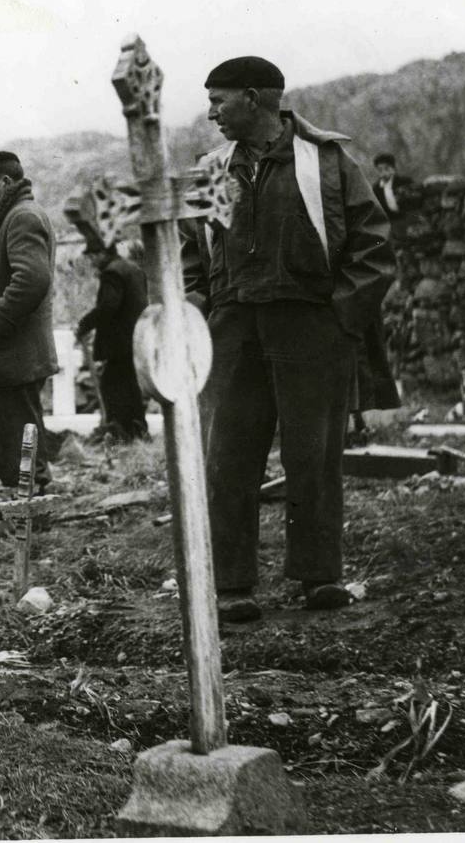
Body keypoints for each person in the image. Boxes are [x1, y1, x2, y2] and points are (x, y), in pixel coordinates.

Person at [182, 56, 394, 621]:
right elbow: (192, 259)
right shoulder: (211, 169)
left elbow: (373, 248)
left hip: (310, 329)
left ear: (253, 98)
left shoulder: (325, 161)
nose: (211, 114)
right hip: (233, 331)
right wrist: (194, 309)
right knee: (227, 455)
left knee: (313, 455)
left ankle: (319, 577)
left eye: (219, 100)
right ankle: (231, 585)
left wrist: (339, 319)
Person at [0, 151, 59, 491]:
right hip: (10, 353)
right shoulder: (13, 216)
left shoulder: (22, 217)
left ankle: (30, 508)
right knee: (14, 433)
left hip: (14, 351)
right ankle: (28, 504)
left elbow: (32, 279)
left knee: (18, 433)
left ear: (6, 183)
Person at [76, 236, 149, 442]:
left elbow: (109, 306)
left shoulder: (113, 272)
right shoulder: (133, 269)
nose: (91, 262)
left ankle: (119, 430)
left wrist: (84, 324)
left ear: (100, 254)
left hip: (120, 340)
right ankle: (136, 431)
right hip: (136, 336)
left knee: (111, 385)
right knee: (129, 385)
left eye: (92, 257)